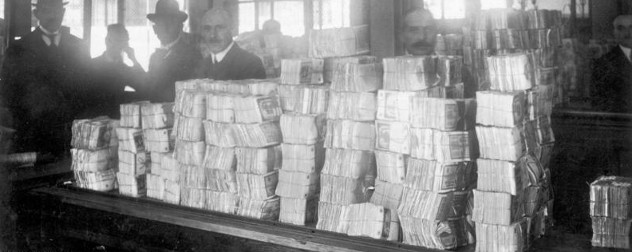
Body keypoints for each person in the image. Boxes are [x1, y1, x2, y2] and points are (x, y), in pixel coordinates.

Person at [0, 0, 92, 157]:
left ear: (63, 13)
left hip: (71, 136)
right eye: (47, 10)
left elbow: (89, 88)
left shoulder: (78, 47)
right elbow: (8, 93)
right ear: (37, 14)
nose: (53, 15)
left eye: (57, 10)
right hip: (33, 136)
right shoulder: (18, 49)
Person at [399, 8, 475, 98]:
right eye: (414, 30)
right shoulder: (387, 74)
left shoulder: (459, 72)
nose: (422, 37)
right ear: (402, 35)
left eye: (428, 29)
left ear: (436, 33)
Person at [146, 0, 201, 102]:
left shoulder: (192, 55)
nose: (165, 28)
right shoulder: (154, 58)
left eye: (170, 22)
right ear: (155, 28)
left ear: (180, 26)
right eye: (160, 23)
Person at [195, 8, 266, 80]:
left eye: (219, 28)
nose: (212, 35)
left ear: (233, 29)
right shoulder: (201, 65)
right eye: (207, 29)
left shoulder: (250, 64)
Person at [91, 24, 145, 118]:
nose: (120, 46)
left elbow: (145, 87)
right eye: (118, 41)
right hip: (93, 119)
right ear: (107, 41)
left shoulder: (124, 69)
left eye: (124, 42)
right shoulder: (91, 66)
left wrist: (134, 60)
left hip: (115, 119)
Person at [591, 14, 632, 113]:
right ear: (614, 33)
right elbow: (600, 104)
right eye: (621, 28)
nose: (628, 33)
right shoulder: (603, 63)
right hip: (620, 123)